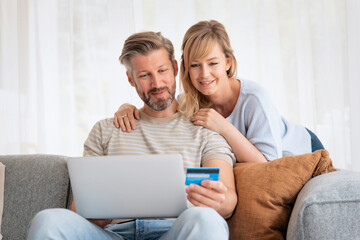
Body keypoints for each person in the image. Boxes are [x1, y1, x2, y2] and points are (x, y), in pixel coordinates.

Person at [26, 31, 237, 240]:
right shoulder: (105, 130)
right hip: (113, 234)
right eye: (144, 75)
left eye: (162, 70)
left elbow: (228, 200)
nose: (156, 84)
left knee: (206, 220)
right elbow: (78, 213)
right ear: (130, 79)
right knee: (47, 221)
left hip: (175, 232)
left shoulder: (205, 128)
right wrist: (94, 216)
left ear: (174, 68)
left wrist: (218, 201)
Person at [114, 19, 324, 162]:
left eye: (213, 63)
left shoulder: (254, 98)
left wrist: (223, 126)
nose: (204, 74)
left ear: (227, 62)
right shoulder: (188, 102)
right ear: (184, 67)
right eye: (195, 65)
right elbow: (161, 109)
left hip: (300, 148)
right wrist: (126, 107)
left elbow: (268, 164)